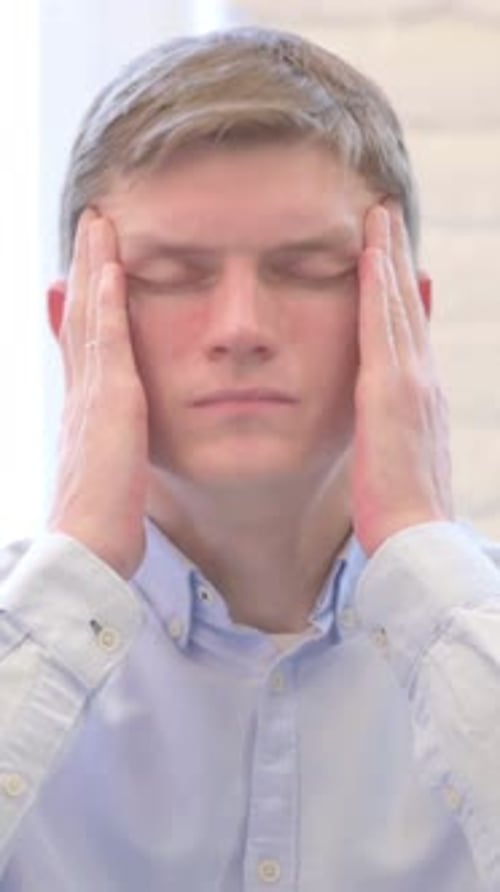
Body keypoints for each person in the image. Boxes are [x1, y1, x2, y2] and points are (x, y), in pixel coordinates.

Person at [0, 24, 499, 892]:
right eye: (170, 274)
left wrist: (419, 551)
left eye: (307, 268)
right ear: (73, 326)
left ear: (405, 326)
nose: (239, 330)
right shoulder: (26, 639)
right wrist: (77, 556)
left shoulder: (471, 638)